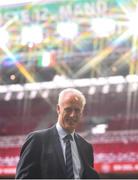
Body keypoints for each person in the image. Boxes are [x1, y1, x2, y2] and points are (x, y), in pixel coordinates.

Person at [15, 88, 99, 179]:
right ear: (58, 109)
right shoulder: (37, 140)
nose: (72, 115)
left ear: (81, 113)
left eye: (77, 110)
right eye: (68, 109)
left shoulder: (86, 147)